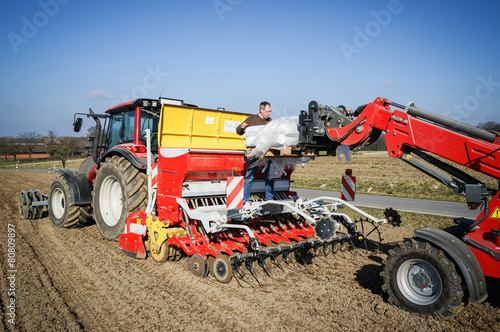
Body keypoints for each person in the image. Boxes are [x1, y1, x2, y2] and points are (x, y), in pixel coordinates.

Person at [236, 101, 274, 205]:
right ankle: (245, 201)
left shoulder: (270, 122)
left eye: (270, 111)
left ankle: (269, 199)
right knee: (250, 177)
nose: (269, 114)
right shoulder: (251, 120)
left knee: (269, 176)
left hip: (267, 154)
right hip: (253, 153)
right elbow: (238, 131)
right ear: (261, 110)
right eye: (268, 111)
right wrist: (241, 127)